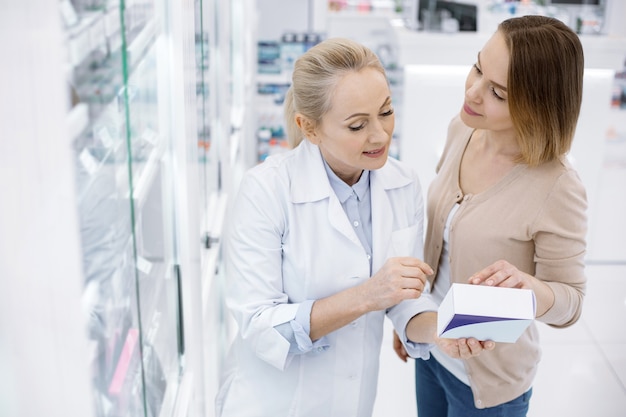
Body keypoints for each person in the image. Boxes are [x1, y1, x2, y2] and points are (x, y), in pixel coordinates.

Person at [215, 37, 491, 417]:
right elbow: (261, 326)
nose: (379, 135)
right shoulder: (266, 190)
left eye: (386, 112)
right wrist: (367, 295)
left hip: (352, 400)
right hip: (273, 401)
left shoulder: (403, 184)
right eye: (357, 125)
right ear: (309, 128)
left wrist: (441, 330)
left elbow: (403, 297)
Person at [393, 15, 588, 417]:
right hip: (434, 351)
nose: (473, 92)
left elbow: (571, 302)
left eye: (497, 92)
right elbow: (441, 245)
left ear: (538, 106)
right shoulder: (462, 130)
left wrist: (531, 289)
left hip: (489, 385)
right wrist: (416, 320)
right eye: (478, 67)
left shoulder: (558, 186)